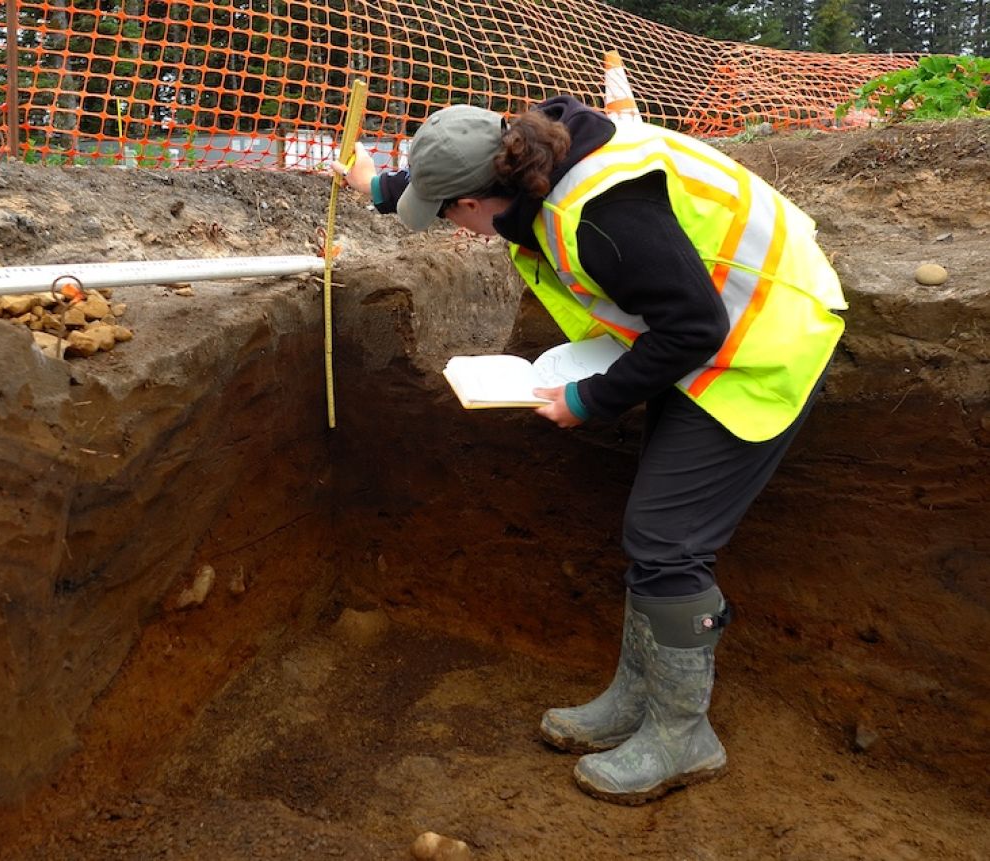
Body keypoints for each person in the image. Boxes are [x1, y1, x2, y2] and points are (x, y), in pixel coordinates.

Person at [333, 96, 846, 804]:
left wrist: (591, 399)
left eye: (451, 214)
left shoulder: (600, 216)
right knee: (656, 530)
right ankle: (635, 699)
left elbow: (693, 325)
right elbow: (453, 178)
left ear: (484, 198)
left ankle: (682, 731)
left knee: (667, 539)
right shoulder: (534, 149)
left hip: (758, 334)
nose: (459, 231)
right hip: (703, 326)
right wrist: (379, 185)